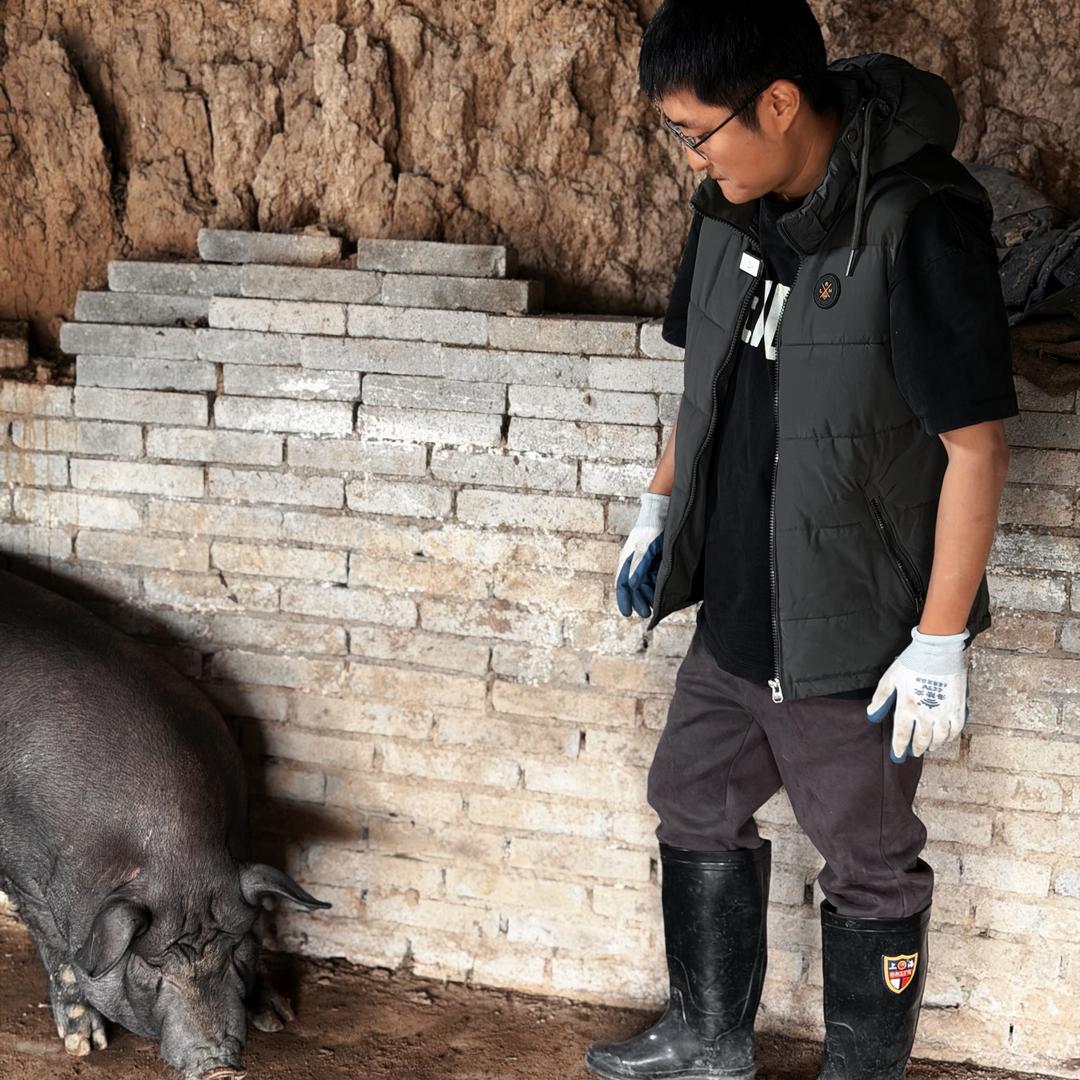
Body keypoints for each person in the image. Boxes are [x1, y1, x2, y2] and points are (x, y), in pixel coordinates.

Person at [599, 2, 1019, 1079]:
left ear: (778, 102)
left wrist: (935, 643)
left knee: (870, 866)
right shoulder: (728, 205)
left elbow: (976, 448)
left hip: (849, 638)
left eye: (699, 130)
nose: (689, 155)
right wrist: (659, 507)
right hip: (737, 610)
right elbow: (700, 387)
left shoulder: (920, 221)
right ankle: (707, 1038)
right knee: (691, 798)